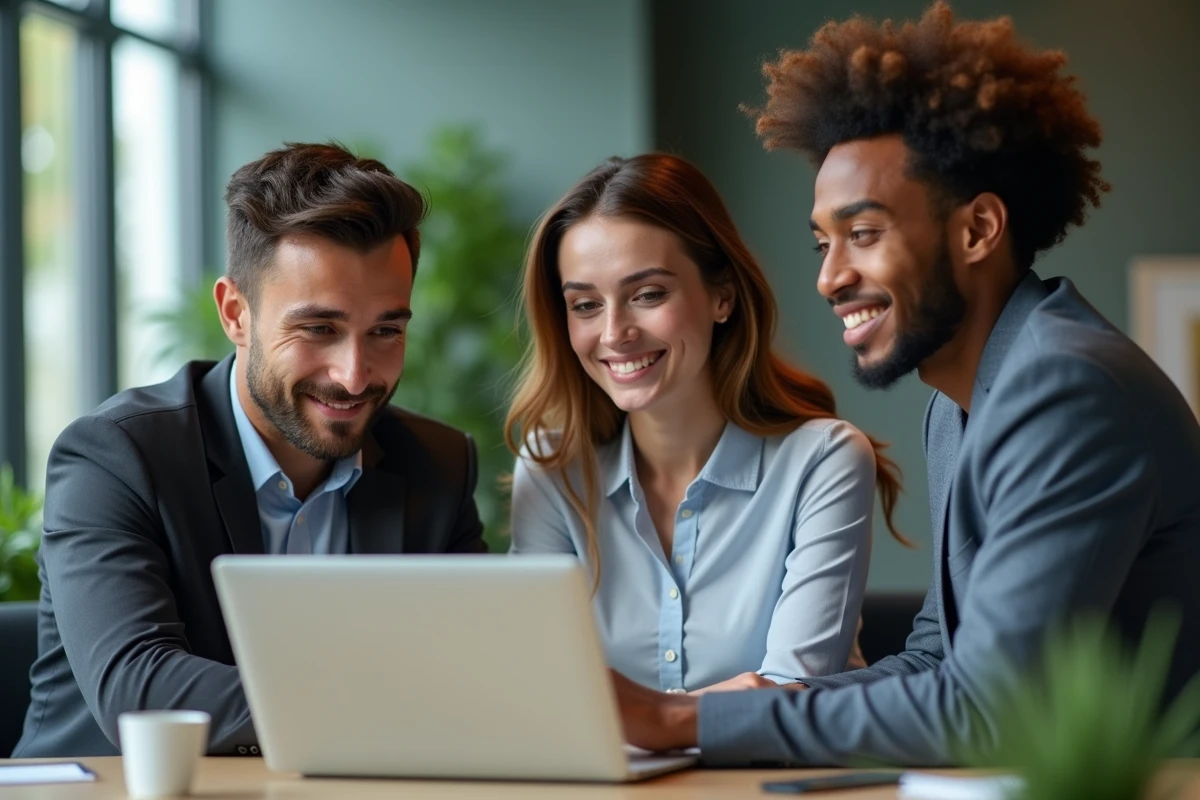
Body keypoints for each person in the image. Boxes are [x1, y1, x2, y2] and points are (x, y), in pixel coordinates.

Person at [611, 2, 1200, 765]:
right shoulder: (963, 401)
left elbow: (984, 710)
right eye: (824, 242)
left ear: (978, 230)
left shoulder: (1063, 387)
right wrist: (720, 705)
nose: (830, 277)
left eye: (863, 234)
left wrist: (681, 723)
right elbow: (938, 660)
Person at [15, 143, 487, 758]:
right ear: (236, 313)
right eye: (319, 329)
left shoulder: (438, 464)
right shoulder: (116, 456)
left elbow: (477, 671)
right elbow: (140, 686)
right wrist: (385, 707)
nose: (353, 374)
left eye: (386, 331)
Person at [506, 152, 907, 694]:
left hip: (781, 779)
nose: (614, 333)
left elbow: (788, 697)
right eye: (584, 305)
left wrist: (639, 716)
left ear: (722, 295)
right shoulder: (554, 467)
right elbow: (536, 691)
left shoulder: (823, 460)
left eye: (647, 295)